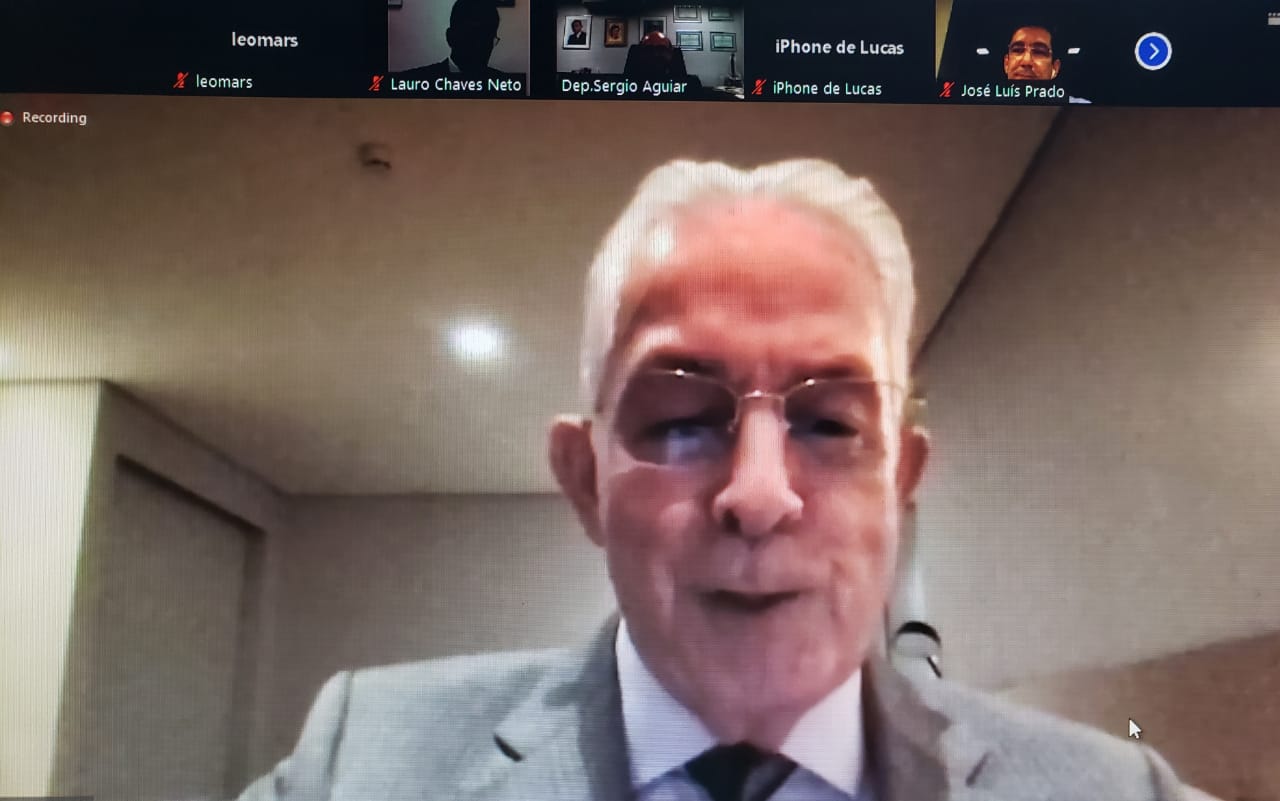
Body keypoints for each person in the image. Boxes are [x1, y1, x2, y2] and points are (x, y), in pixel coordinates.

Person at [235, 160, 1200, 800]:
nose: (760, 494)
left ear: (899, 482)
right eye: (682, 420)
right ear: (584, 478)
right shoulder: (359, 763)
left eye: (829, 422)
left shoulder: (1121, 792)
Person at [392, 0, 509, 79]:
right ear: (451, 37)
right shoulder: (413, 80)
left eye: (487, 38)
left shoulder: (503, 83)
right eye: (473, 36)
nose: (480, 46)